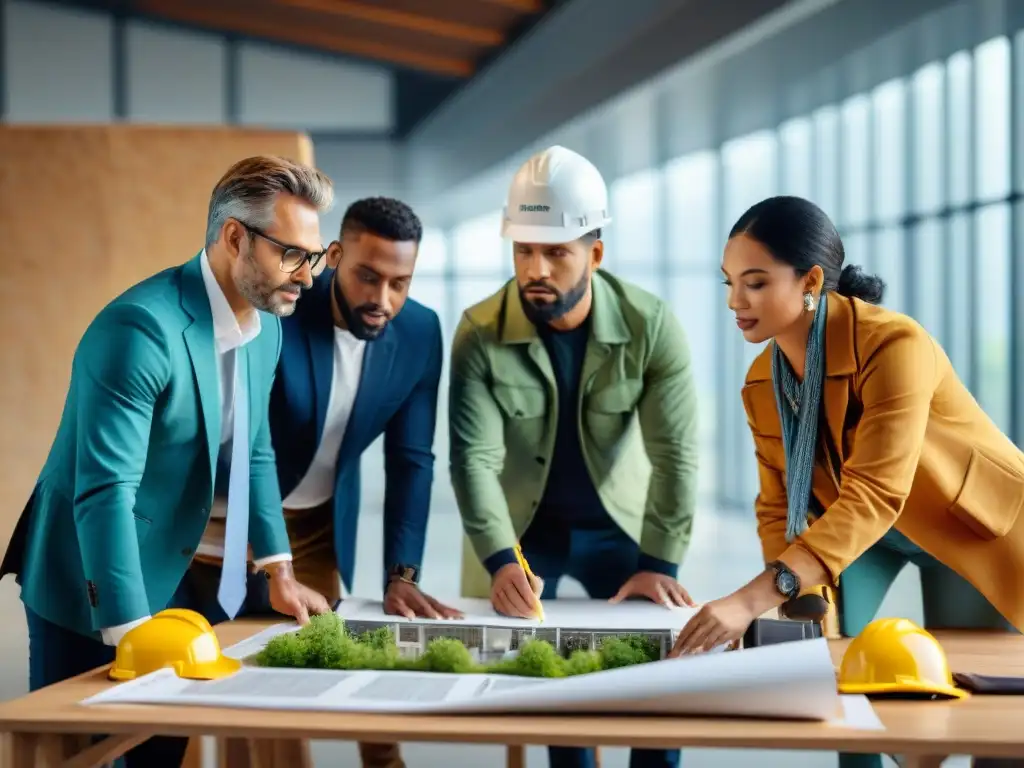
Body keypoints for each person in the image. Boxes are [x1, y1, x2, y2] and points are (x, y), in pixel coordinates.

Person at [0, 155, 335, 767]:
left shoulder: (269, 326)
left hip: (168, 566)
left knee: (158, 754)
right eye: (292, 254)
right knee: (71, 753)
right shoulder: (139, 329)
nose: (307, 277)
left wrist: (279, 570)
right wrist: (130, 636)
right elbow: (105, 490)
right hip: (85, 571)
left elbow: (255, 448)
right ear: (235, 237)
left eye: (313, 257)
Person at [671, 195, 1023, 768]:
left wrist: (751, 598)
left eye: (755, 283)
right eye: (729, 282)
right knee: (838, 678)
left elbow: (878, 490)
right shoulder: (763, 380)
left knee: (984, 706)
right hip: (860, 534)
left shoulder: (895, 346)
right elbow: (778, 503)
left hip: (971, 521)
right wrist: (791, 593)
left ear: (811, 280)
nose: (735, 301)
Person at [187, 196, 461, 768]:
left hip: (313, 529)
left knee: (317, 671)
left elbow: (412, 458)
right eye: (367, 276)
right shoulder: (278, 311)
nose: (382, 299)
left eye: (400, 282)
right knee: (212, 689)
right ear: (333, 256)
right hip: (213, 520)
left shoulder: (419, 332)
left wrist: (401, 574)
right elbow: (246, 444)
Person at [449, 145, 700, 768]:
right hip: (520, 533)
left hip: (620, 527)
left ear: (595, 252)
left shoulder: (651, 326)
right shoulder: (479, 331)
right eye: (523, 250)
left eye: (555, 252)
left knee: (661, 670)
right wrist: (501, 560)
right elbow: (472, 458)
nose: (536, 268)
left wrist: (660, 563)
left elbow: (676, 455)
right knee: (553, 685)